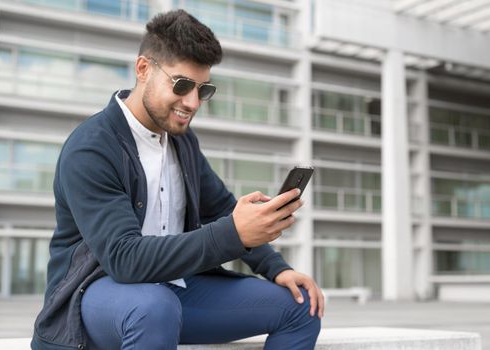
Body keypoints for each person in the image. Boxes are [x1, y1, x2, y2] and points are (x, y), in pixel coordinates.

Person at [31, 9, 323, 350]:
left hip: (175, 292)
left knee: (302, 304)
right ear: (143, 69)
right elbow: (124, 259)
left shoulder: (182, 141)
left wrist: (277, 268)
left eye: (203, 90)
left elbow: (221, 209)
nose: (192, 102)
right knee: (154, 309)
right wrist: (233, 234)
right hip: (97, 295)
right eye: (182, 85)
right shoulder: (92, 147)